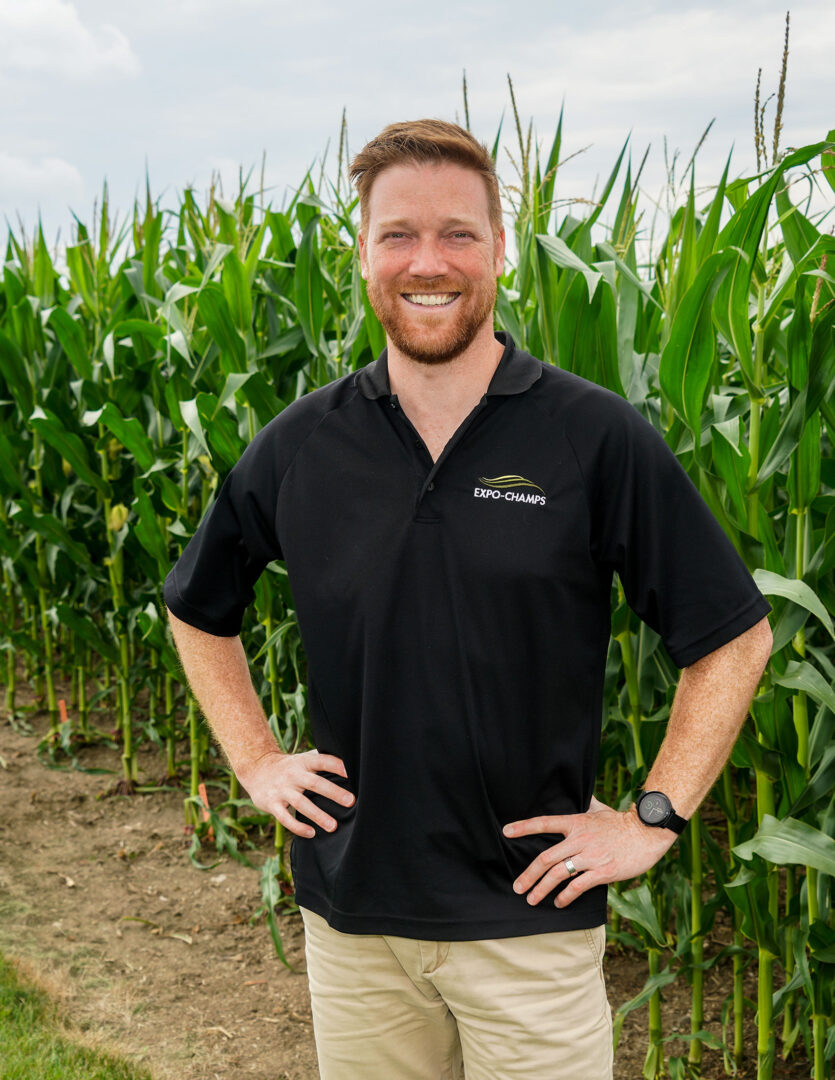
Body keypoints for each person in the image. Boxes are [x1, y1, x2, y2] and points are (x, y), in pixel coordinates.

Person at [163, 119, 773, 1080]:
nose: (427, 261)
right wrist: (255, 760)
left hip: (528, 928)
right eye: (397, 234)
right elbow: (197, 611)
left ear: (499, 249)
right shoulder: (300, 445)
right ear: (361, 254)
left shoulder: (591, 437)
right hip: (355, 922)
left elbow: (732, 636)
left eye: (457, 233)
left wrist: (652, 817)